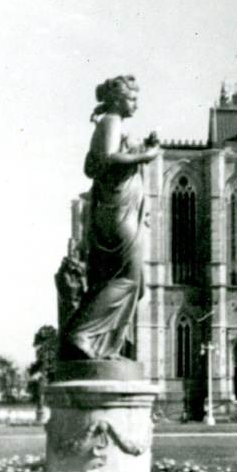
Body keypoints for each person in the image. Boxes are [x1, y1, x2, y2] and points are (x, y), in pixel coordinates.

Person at [60, 75, 161, 360]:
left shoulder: (112, 124)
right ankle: (81, 333)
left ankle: (103, 344)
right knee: (129, 278)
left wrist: (140, 151)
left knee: (133, 282)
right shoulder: (111, 121)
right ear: (117, 99)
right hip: (117, 212)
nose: (136, 105)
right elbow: (106, 159)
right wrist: (146, 156)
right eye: (132, 99)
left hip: (122, 209)